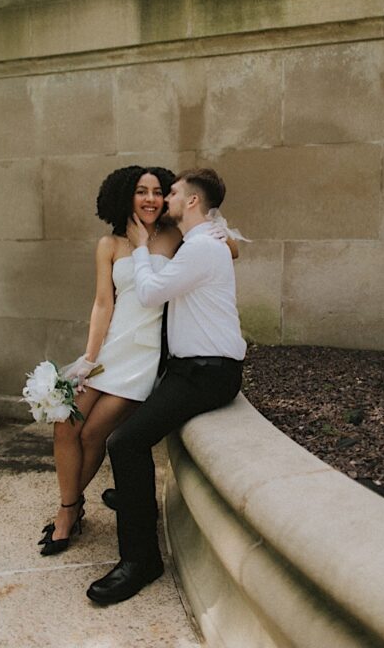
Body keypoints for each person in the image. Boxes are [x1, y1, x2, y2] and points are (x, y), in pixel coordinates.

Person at [38, 166, 236, 556]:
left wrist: (219, 230)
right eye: (141, 191)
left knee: (95, 433)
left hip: (143, 357)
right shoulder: (109, 244)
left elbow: (229, 250)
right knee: (65, 425)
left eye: (159, 191)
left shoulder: (177, 236)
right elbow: (102, 302)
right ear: (126, 196)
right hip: (110, 349)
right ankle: (70, 506)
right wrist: (88, 359)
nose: (150, 198)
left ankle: (68, 512)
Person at [86, 167, 246, 605]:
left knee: (125, 444)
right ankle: (133, 497)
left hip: (207, 373)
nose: (165, 198)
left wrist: (139, 249)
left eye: (171, 192)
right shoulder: (201, 241)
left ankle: (140, 561)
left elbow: (151, 293)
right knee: (132, 424)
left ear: (191, 201)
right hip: (186, 368)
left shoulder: (200, 249)